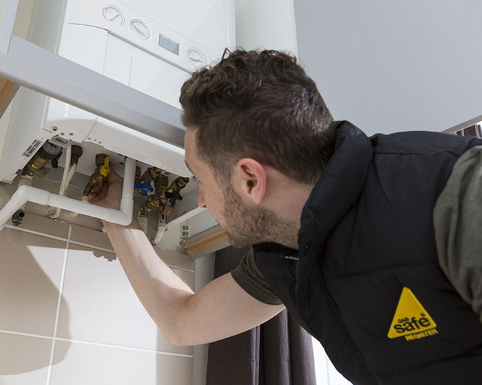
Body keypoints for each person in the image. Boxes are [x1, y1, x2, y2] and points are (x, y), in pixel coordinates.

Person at [89, 49, 482, 385]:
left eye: (201, 179)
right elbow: (182, 322)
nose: (202, 200)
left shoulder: (457, 190)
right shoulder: (286, 255)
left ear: (249, 179)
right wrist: (115, 214)